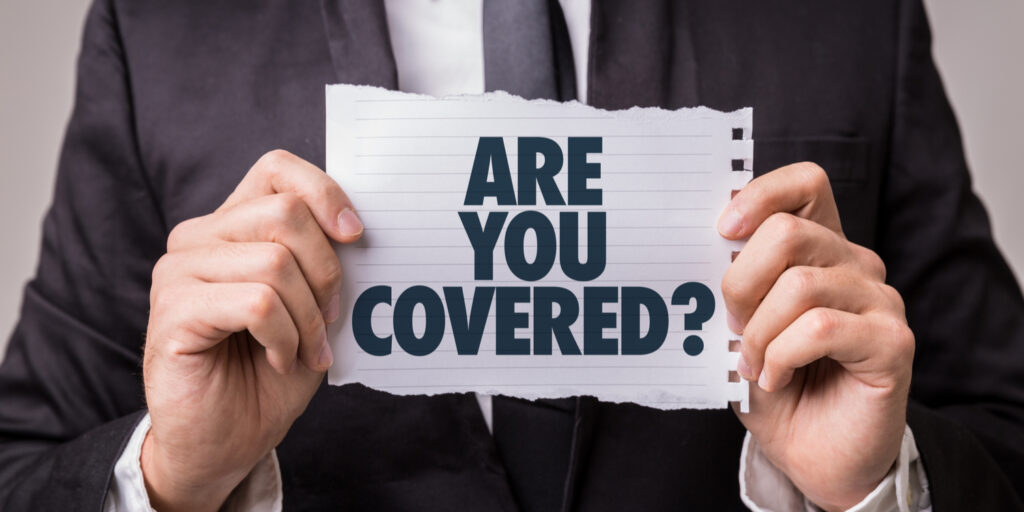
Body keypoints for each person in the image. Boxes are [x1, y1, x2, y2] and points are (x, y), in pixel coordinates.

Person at [0, 0, 1021, 510]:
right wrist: (173, 477)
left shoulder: (848, 16)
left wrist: (879, 482)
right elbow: (25, 463)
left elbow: (1005, 435)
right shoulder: (163, 28)